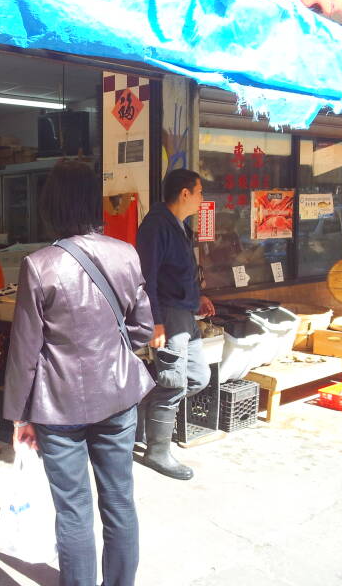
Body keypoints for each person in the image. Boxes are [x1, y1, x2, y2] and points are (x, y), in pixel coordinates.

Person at [4, 160, 154, 586]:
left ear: (50, 205)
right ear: (93, 202)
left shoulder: (39, 265)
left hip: (59, 408)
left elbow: (25, 351)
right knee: (120, 501)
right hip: (119, 397)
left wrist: (20, 414)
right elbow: (142, 329)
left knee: (73, 511)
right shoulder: (126, 253)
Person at [135, 168, 214, 480]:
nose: (202, 198)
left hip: (184, 313)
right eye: (200, 192)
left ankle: (137, 419)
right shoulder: (156, 225)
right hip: (167, 315)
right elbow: (147, 279)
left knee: (197, 376)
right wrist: (154, 322)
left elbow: (177, 273)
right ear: (185, 193)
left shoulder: (178, 225)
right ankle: (157, 451)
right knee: (172, 382)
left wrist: (197, 298)